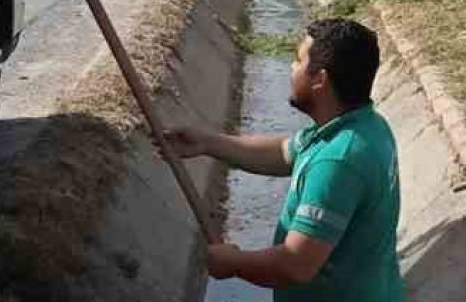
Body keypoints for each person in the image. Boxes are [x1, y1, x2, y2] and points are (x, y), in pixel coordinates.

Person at [164, 19, 404, 302]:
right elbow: (283, 152)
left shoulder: (338, 162)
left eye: (298, 60)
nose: (291, 69)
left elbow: (295, 265)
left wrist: (235, 263)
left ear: (320, 80)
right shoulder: (365, 126)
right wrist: (208, 143)